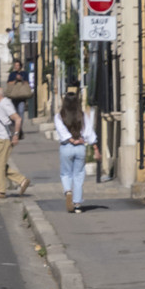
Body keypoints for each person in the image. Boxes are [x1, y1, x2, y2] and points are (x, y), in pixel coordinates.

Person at [55, 86, 90, 214]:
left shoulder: (60, 116)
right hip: (80, 147)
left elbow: (61, 131)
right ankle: (77, 204)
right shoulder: (82, 115)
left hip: (66, 147)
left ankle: (68, 190)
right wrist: (82, 140)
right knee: (79, 175)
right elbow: (87, 131)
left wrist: (71, 140)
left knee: (65, 173)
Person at [0, 81, 29, 197]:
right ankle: (22, 180)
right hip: (0, 138)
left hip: (4, 139)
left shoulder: (5, 104)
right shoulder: (2, 105)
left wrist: (16, 135)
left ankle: (1, 191)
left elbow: (17, 119)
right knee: (0, 164)